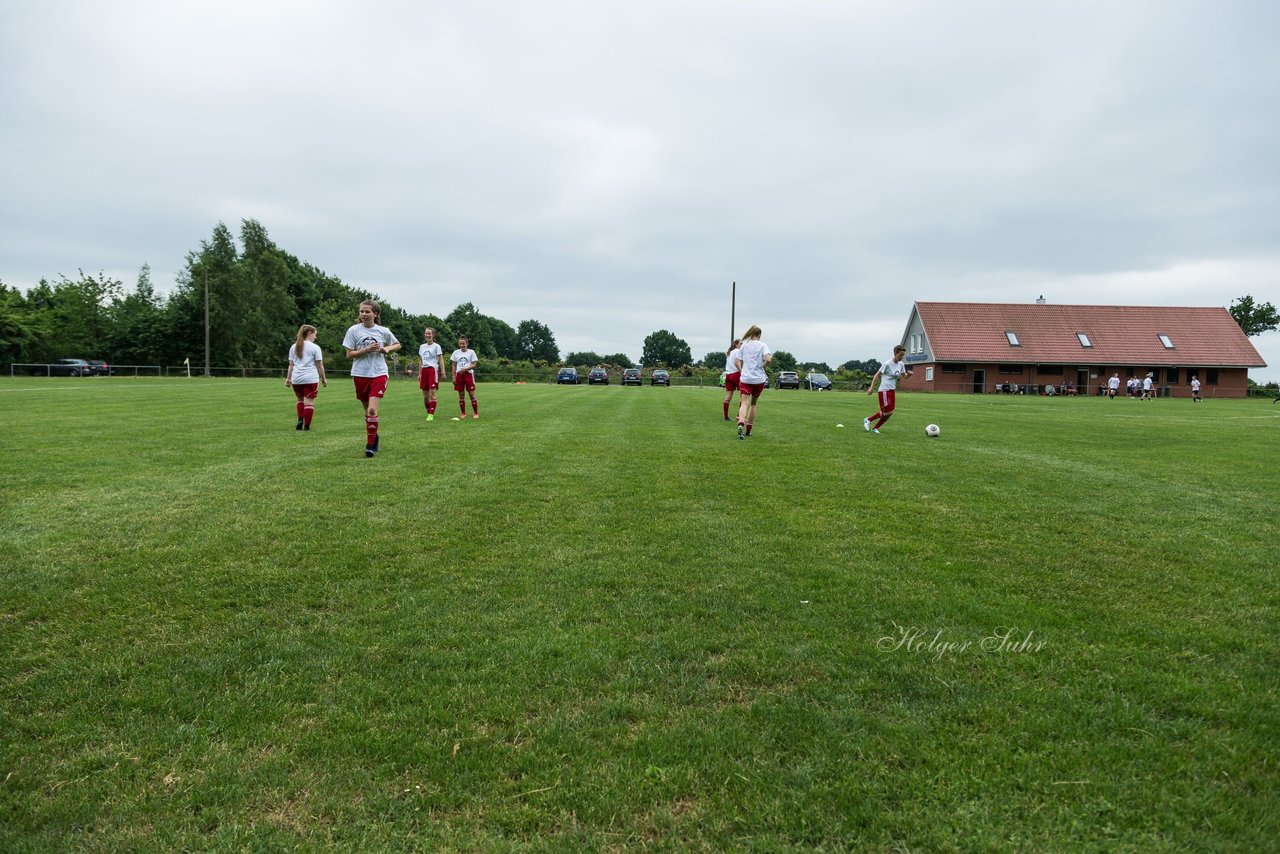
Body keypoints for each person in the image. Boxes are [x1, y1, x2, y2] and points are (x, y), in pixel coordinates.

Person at [343, 299, 400, 457]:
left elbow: (397, 344)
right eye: (361, 311)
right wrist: (367, 349)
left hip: (379, 373)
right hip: (360, 374)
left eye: (367, 312)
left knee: (372, 409)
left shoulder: (383, 331)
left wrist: (387, 348)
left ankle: (370, 446)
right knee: (367, 413)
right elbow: (349, 354)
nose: (364, 314)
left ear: (375, 314)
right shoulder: (353, 331)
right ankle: (374, 435)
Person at [285, 324, 327, 430]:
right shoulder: (315, 347)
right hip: (310, 378)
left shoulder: (294, 347)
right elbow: (319, 365)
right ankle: (307, 426)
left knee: (300, 400)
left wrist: (288, 378)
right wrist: (323, 378)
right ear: (309, 333)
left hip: (296, 378)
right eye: (315, 334)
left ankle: (300, 420)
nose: (315, 337)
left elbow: (291, 365)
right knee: (309, 403)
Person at [864, 345, 913, 434]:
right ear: (895, 353)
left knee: (890, 412)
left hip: (892, 390)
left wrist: (909, 375)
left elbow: (904, 376)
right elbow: (876, 375)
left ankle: (875, 428)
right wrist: (871, 387)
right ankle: (868, 419)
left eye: (903, 355)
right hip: (884, 390)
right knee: (887, 412)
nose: (902, 357)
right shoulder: (887, 364)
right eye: (900, 355)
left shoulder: (901, 364)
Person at [734, 326, 771, 439]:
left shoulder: (744, 345)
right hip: (758, 379)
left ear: (750, 334)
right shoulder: (763, 345)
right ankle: (749, 430)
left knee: (744, 403)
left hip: (746, 378)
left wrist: (742, 371)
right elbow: (768, 359)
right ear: (759, 335)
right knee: (753, 404)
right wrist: (764, 367)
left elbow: (737, 362)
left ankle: (741, 422)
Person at [418, 326, 444, 421]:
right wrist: (419, 373)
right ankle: (429, 412)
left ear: (433, 335)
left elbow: (441, 360)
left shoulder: (437, 346)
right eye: (426, 333)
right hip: (424, 371)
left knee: (432, 394)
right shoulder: (422, 347)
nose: (427, 335)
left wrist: (443, 372)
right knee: (425, 397)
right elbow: (420, 360)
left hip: (432, 370)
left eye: (429, 333)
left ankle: (431, 414)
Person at [451, 335, 480, 419]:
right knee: (461, 395)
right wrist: (453, 376)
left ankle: (476, 413)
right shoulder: (455, 353)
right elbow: (453, 365)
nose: (462, 345)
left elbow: (474, 364)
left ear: (467, 343)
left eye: (463, 343)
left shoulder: (471, 352)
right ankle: (463, 413)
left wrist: (466, 368)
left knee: (471, 394)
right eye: (460, 344)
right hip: (459, 375)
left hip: (468, 374)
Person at [722, 338, 742, 421]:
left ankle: (726, 416)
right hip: (736, 373)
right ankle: (739, 415)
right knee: (744, 396)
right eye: (741, 343)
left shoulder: (729, 353)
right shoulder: (738, 351)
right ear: (736, 344)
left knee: (728, 397)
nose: (742, 345)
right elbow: (738, 363)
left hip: (728, 375)